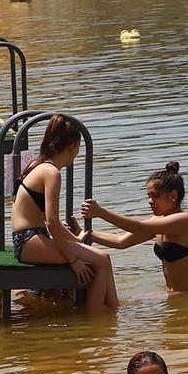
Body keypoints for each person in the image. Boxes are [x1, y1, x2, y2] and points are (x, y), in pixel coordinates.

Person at [10, 114, 117, 312]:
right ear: (73, 146)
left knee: (103, 259)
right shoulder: (52, 173)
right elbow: (51, 222)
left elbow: (47, 221)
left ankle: (112, 309)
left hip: (26, 238)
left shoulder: (37, 165)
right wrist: (74, 260)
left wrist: (75, 241)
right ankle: (97, 321)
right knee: (101, 260)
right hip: (29, 241)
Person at [80, 161, 188, 292]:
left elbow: (138, 227)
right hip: (174, 294)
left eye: (155, 196)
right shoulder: (157, 221)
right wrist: (83, 232)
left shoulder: (183, 221)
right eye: (149, 196)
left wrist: (101, 213)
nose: (150, 201)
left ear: (173, 196)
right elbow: (121, 242)